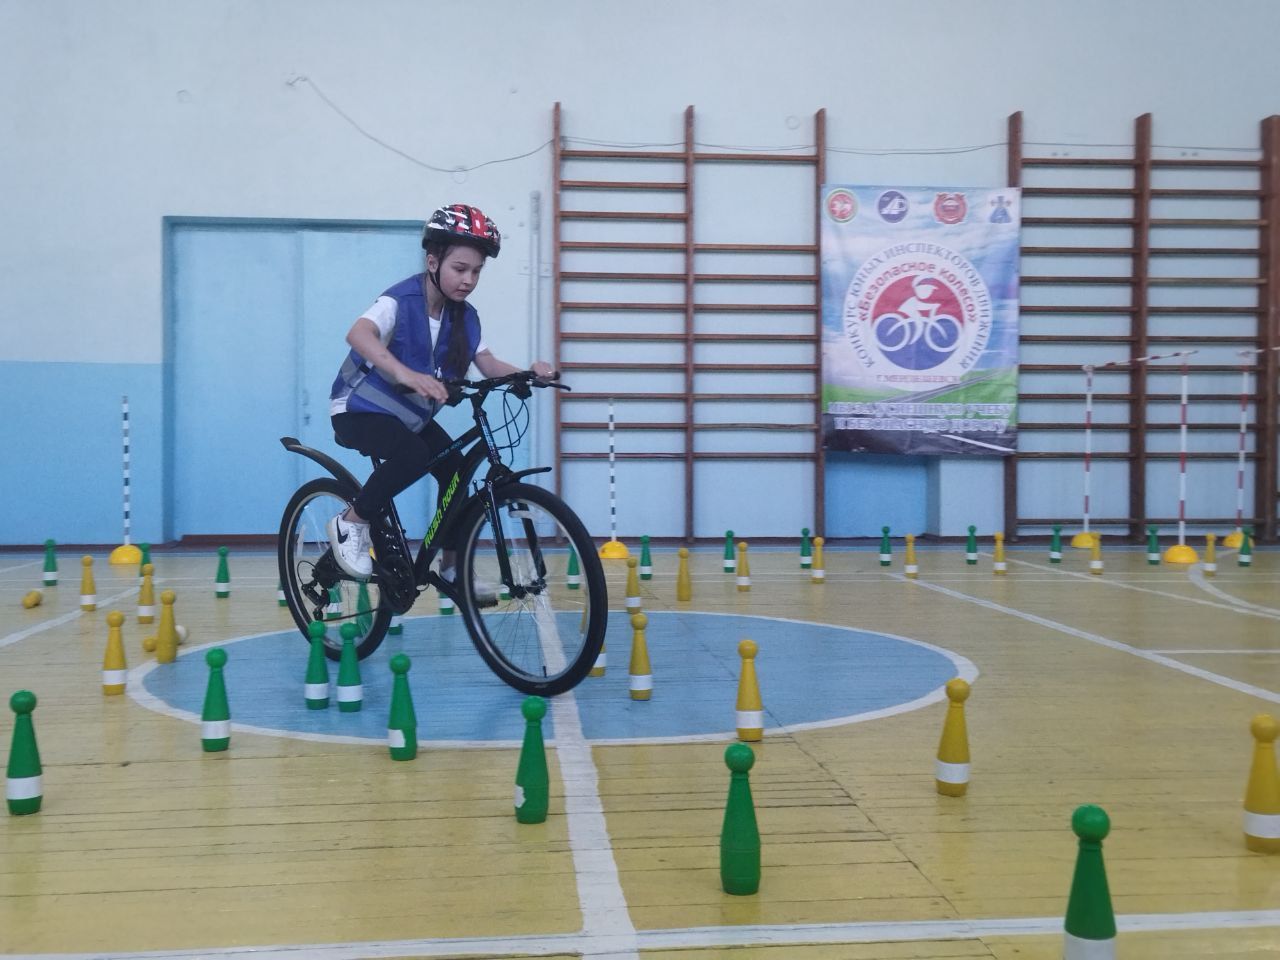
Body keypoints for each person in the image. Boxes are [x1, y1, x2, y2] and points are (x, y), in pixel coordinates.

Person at [326, 203, 555, 587]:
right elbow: (358, 334)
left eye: (477, 272)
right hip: (357, 410)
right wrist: (405, 373)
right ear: (433, 262)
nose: (469, 279)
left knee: (455, 474)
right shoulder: (399, 301)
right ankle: (351, 523)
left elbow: (488, 364)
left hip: (410, 419)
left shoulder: (466, 317)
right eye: (459, 269)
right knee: (414, 455)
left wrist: (530, 373)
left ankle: (453, 569)